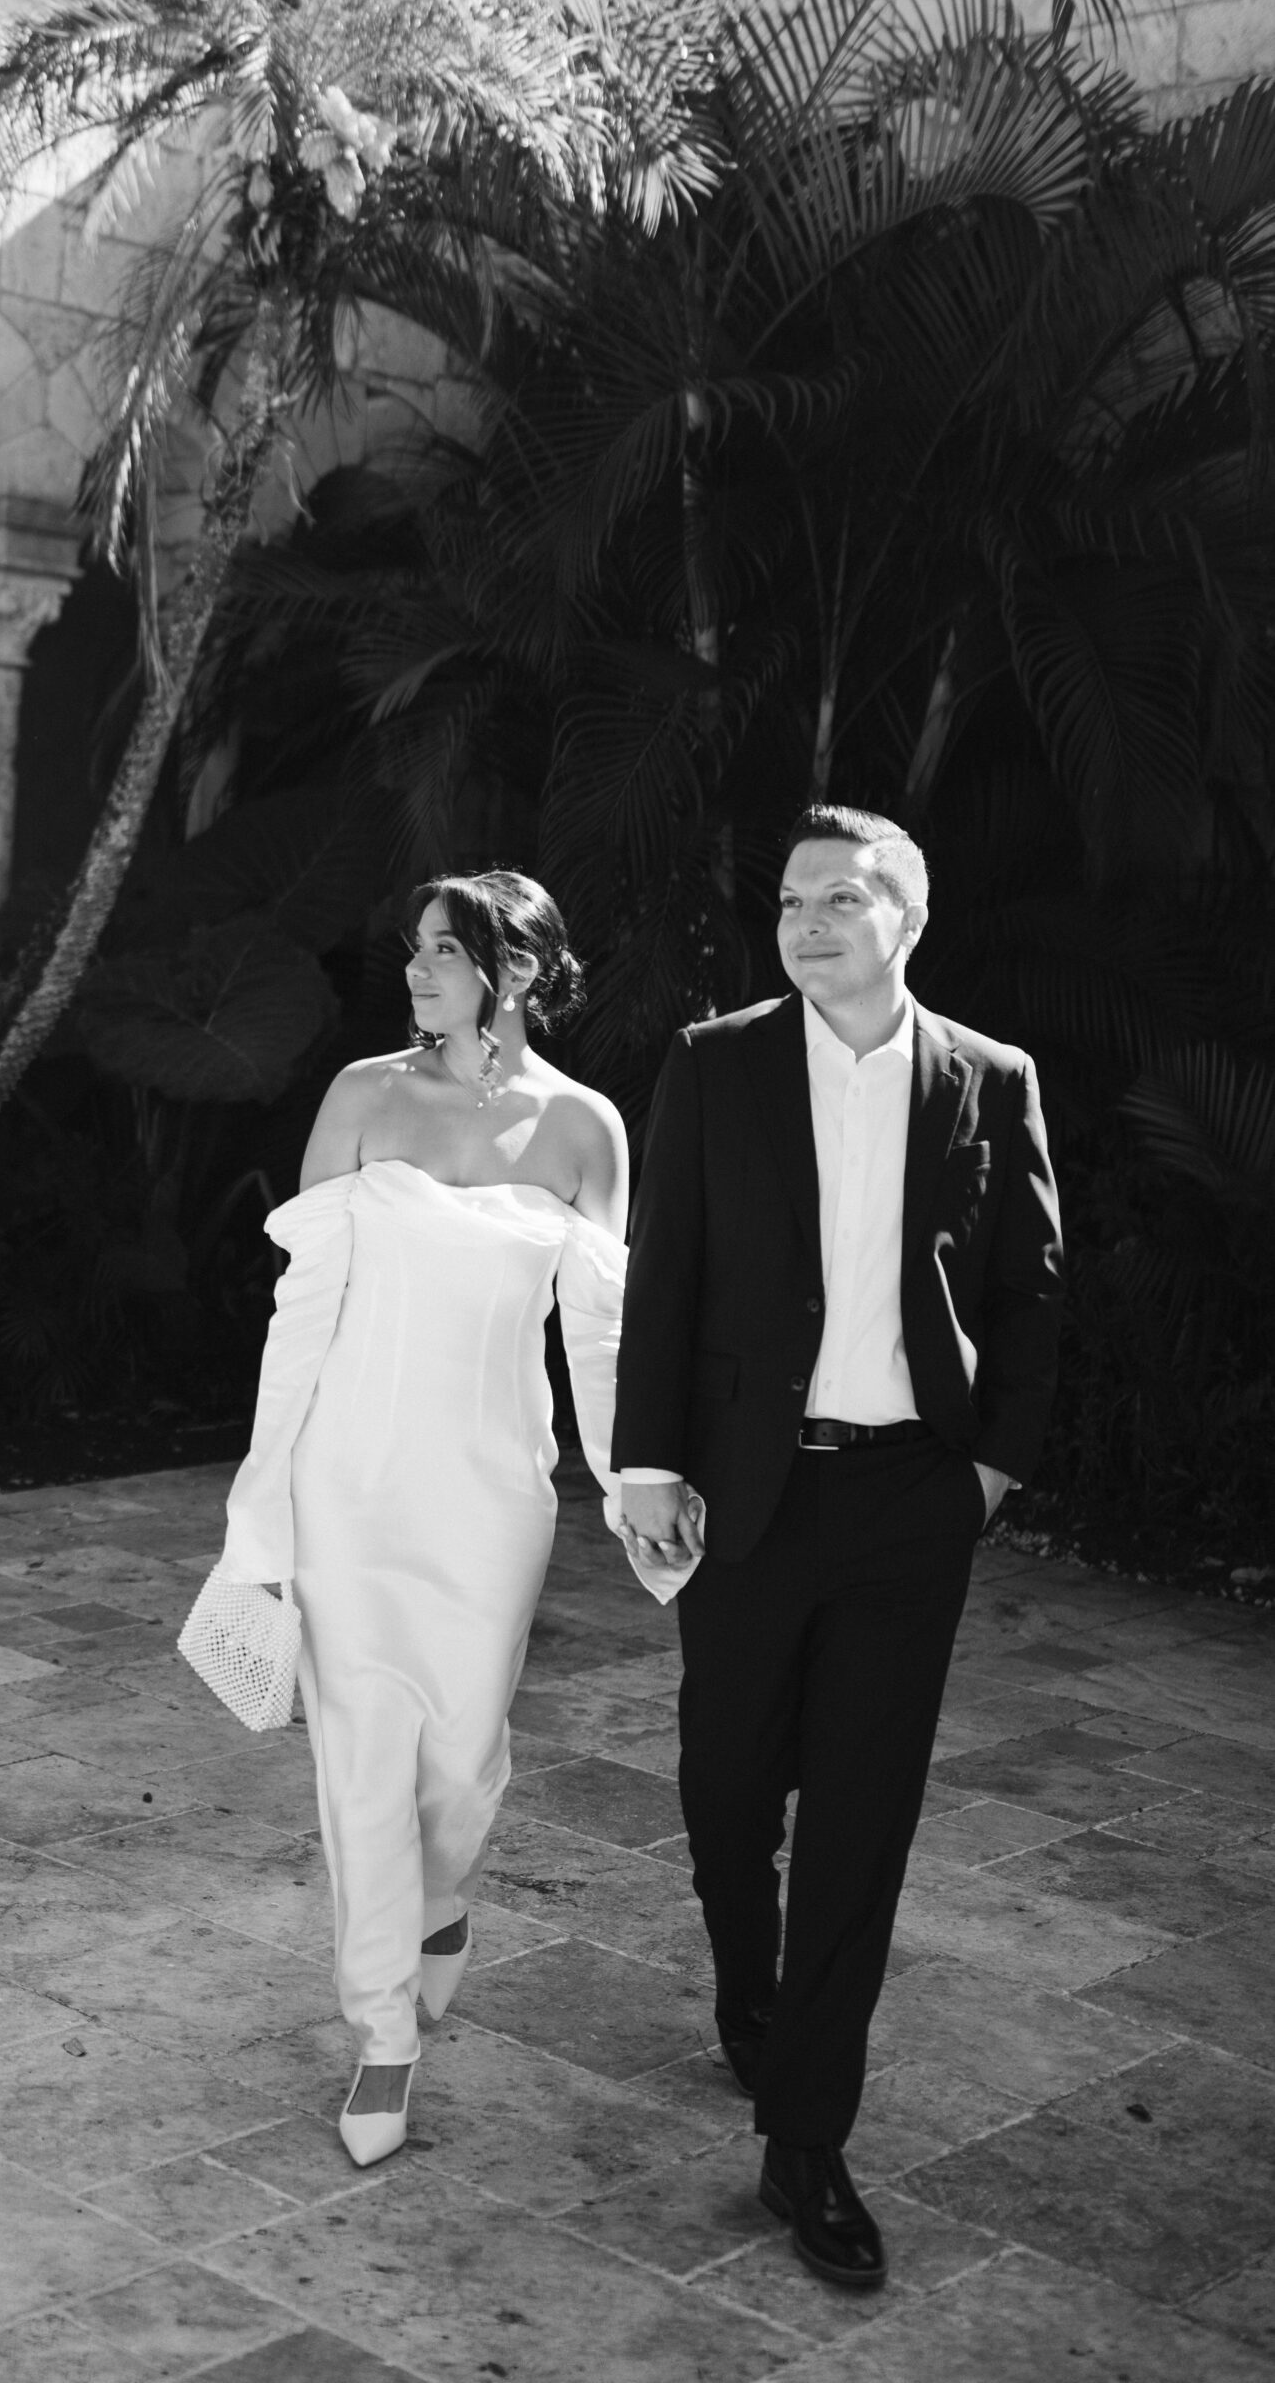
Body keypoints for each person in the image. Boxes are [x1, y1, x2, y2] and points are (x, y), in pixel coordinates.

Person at [612, 803, 1063, 2293]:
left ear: (906, 919)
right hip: (749, 1497)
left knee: (863, 1823)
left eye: (840, 898)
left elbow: (1034, 1289)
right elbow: (663, 1270)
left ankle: (807, 2137)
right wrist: (650, 1461)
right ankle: (753, 1990)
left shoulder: (992, 1081)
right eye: (792, 899)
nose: (805, 922)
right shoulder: (714, 1062)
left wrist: (990, 1469)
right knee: (726, 1788)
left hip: (906, 1509)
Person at [214, 870, 632, 2167]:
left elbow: (603, 1341)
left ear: (513, 974)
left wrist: (628, 1485)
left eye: (444, 953)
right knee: (359, 1762)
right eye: (414, 951)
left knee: (460, 1758)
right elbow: (301, 1322)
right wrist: (261, 1511)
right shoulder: (359, 1098)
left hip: (493, 1497)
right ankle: (382, 2031)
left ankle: (445, 1895)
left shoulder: (585, 1131)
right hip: (350, 1486)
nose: (415, 972)